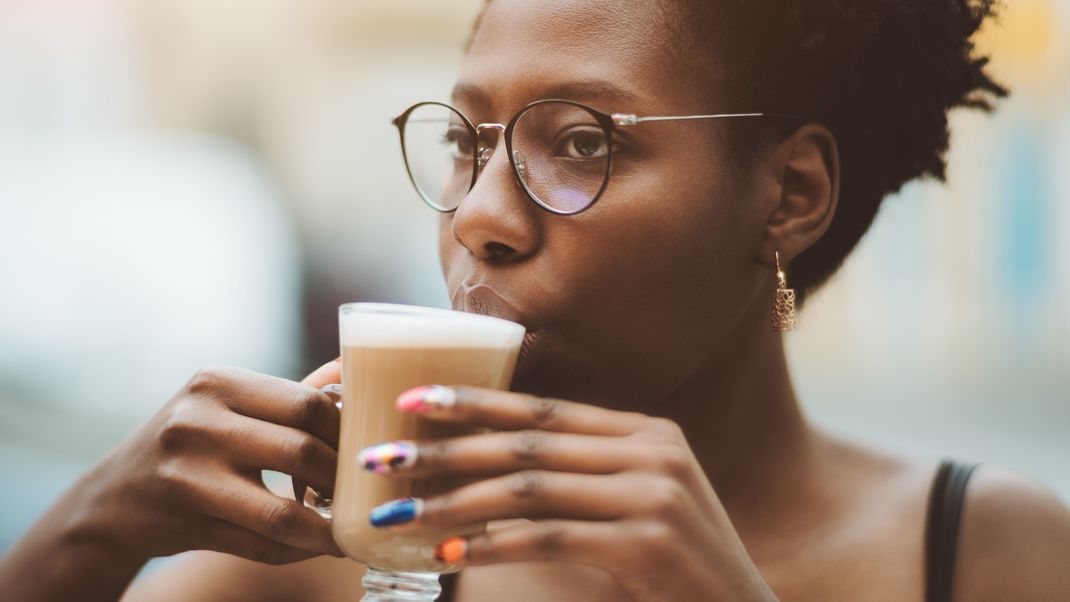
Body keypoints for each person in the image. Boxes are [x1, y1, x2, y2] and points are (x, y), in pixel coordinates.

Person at [3, 0, 1069, 600]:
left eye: (581, 143)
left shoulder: (988, 554)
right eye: (465, 144)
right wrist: (93, 530)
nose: (477, 217)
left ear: (788, 194)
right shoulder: (326, 563)